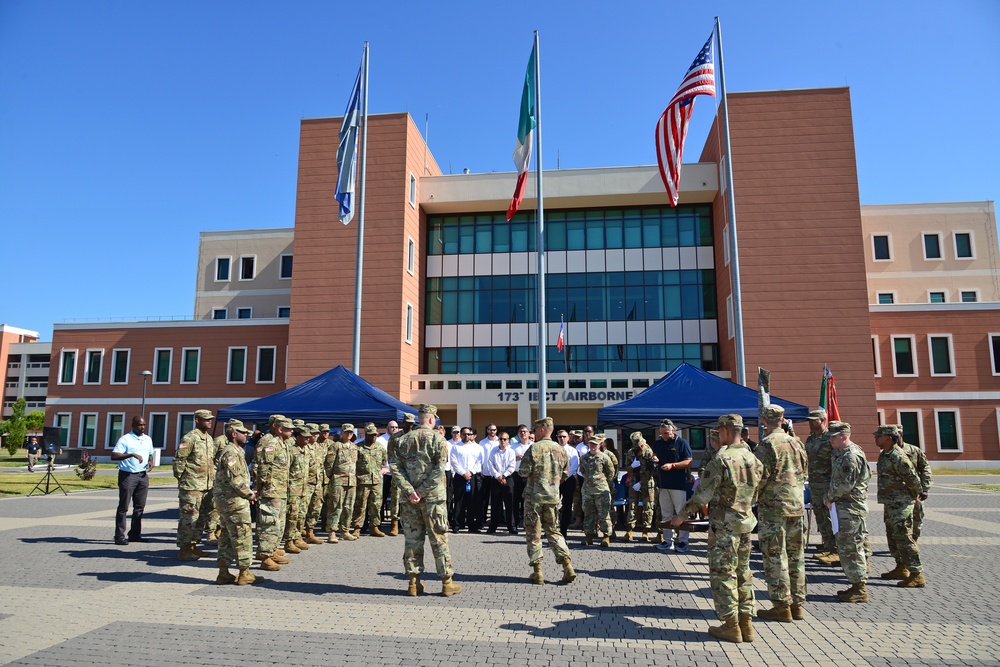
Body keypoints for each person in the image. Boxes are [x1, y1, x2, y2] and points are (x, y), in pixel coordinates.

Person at [669, 414, 762, 643]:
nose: (718, 435)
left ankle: (731, 625)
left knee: (723, 574)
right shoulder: (753, 458)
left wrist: (682, 515)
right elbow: (758, 491)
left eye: (719, 431)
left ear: (727, 431)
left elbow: (703, 495)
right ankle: (746, 624)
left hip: (724, 526)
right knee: (743, 572)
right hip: (745, 523)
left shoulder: (722, 458)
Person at [390, 404, 461, 597]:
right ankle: (447, 583)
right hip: (433, 499)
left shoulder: (403, 440)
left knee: (412, 540)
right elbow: (439, 470)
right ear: (431, 420)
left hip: (410, 499)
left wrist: (410, 490)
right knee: (438, 539)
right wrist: (421, 491)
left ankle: (414, 583)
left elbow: (394, 467)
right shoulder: (439, 439)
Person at [754, 405, 809, 622]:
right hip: (796, 505)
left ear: (764, 420)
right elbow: (805, 471)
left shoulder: (767, 445)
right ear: (783, 419)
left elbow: (760, 476)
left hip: (773, 508)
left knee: (776, 556)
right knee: (796, 556)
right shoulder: (797, 443)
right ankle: (797, 604)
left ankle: (780, 605)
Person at [518, 417, 575, 585]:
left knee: (534, 534)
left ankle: (538, 572)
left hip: (534, 498)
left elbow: (523, 472)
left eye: (535, 429)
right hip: (552, 498)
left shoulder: (533, 448)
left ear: (542, 430)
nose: (533, 432)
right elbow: (565, 474)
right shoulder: (561, 450)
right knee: (554, 532)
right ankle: (568, 566)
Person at [824, 421, 871, 603]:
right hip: (845, 507)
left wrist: (829, 496)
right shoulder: (844, 453)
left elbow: (845, 484)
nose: (831, 440)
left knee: (852, 548)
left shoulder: (850, 456)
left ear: (844, 436)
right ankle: (855, 585)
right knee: (847, 546)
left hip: (849, 507)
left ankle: (860, 588)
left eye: (834, 437)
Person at [874, 425, 926, 587]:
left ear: (888, 438)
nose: (875, 438)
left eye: (879, 436)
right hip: (890, 502)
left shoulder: (898, 456)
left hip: (901, 503)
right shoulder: (885, 454)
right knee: (893, 536)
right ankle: (901, 566)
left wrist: (915, 495)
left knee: (904, 537)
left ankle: (917, 573)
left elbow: (912, 478)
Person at [212, 421, 261, 585]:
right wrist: (250, 495)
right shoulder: (231, 453)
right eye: (242, 432)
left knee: (226, 536)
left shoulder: (236, 451)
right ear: (233, 434)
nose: (246, 435)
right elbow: (236, 480)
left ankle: (223, 572)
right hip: (234, 502)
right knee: (243, 536)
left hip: (230, 502)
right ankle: (244, 572)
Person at [173, 409, 217, 561]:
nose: (209, 422)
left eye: (210, 419)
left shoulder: (209, 439)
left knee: (200, 518)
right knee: (188, 518)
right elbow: (179, 461)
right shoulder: (189, 438)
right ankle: (184, 549)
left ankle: (193, 546)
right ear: (197, 420)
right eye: (206, 419)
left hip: (206, 485)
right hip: (192, 486)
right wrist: (183, 480)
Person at [253, 415, 293, 570]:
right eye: (288, 429)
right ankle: (265, 556)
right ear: (280, 429)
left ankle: (272, 550)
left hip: (280, 490)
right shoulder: (272, 444)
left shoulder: (283, 444)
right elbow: (263, 468)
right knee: (269, 524)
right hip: (271, 491)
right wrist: (260, 486)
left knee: (278, 524)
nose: (291, 432)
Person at [110, 416, 154, 545]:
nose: (143, 427)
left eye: (144, 425)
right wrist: (131, 454)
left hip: (142, 476)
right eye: (140, 425)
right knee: (123, 507)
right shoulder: (125, 439)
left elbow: (150, 453)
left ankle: (135, 534)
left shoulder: (147, 439)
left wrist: (150, 461)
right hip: (128, 475)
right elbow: (114, 455)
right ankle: (119, 536)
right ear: (133, 425)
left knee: (139, 507)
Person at [653, 418, 693, 552]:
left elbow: (688, 461)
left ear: (673, 431)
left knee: (681, 513)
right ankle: (667, 541)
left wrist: (673, 465)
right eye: (662, 433)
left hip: (678, 484)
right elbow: (655, 454)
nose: (664, 436)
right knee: (666, 514)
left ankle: (683, 541)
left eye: (666, 433)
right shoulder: (658, 442)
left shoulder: (682, 443)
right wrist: (655, 458)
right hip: (663, 484)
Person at [804, 409, 837, 563]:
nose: (810, 423)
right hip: (815, 485)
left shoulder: (831, 439)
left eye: (813, 420)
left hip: (828, 485)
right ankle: (828, 546)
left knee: (831, 518)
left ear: (823, 420)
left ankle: (836, 549)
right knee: (821, 518)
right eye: (809, 420)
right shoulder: (810, 440)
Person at [323, 424, 359, 543]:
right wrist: (330, 478)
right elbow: (329, 465)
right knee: (335, 506)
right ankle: (332, 532)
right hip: (338, 481)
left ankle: (345, 531)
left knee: (349, 507)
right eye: (346, 432)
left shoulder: (354, 447)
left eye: (351, 432)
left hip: (351, 481)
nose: (349, 434)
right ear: (342, 433)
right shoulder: (335, 446)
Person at [896, 424, 932, 541]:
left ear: (901, 435)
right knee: (899, 522)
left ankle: (913, 540)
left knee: (917, 520)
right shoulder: (888, 453)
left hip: (915, 493)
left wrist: (925, 488)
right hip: (897, 494)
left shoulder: (914, 451)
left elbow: (926, 469)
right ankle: (904, 545)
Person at [580, 434, 616, 547]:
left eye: (595, 444)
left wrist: (602, 480)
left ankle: (606, 537)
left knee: (604, 514)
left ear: (600, 445)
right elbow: (582, 471)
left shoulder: (605, 457)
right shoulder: (584, 458)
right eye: (591, 444)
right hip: (587, 491)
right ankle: (589, 537)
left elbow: (611, 473)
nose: (593, 446)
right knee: (588, 514)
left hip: (601, 491)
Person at [352, 424, 387, 538]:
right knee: (360, 505)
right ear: (366, 434)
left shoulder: (380, 448)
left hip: (376, 481)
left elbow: (383, 462)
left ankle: (375, 527)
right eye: (371, 435)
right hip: (363, 481)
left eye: (375, 435)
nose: (373, 437)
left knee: (376, 505)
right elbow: (354, 464)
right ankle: (357, 528)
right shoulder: (358, 448)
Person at [282, 425, 312, 553]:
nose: (307, 440)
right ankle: (289, 541)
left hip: (304, 489)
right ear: (298, 437)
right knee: (292, 516)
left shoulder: (306, 450)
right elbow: (286, 470)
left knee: (301, 515)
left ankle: (297, 537)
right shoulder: (291, 450)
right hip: (293, 489)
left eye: (308, 438)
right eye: (304, 438)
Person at [624, 431, 657, 542]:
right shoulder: (630, 452)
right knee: (632, 506)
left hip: (647, 483)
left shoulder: (648, 451)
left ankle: (645, 532)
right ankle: (629, 531)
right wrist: (632, 467)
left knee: (648, 507)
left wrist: (641, 483)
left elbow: (651, 470)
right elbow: (627, 467)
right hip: (634, 481)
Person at [385, 414, 415, 536]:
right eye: (407, 422)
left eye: (411, 423)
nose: (409, 425)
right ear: (403, 423)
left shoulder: (416, 436)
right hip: (399, 473)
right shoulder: (395, 437)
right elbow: (390, 455)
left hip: (413, 473)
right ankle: (394, 524)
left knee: (413, 498)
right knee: (396, 498)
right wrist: (395, 470)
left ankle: (411, 524)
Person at [449, 427, 483, 532]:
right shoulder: (456, 447)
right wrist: (463, 473)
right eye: (464, 434)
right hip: (460, 476)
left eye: (469, 434)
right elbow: (454, 462)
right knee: (459, 502)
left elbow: (479, 461)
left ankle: (471, 525)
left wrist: (471, 472)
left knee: (472, 501)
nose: (467, 436)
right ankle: (457, 525)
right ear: (461, 435)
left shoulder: (477, 448)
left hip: (472, 476)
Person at [486, 431, 517, 534]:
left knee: (510, 504)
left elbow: (512, 466)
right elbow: (490, 464)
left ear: (508, 441)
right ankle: (493, 526)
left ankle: (511, 526)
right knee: (495, 504)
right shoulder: (493, 451)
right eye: (501, 439)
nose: (502, 441)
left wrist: (504, 476)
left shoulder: (511, 452)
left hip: (507, 479)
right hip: (496, 479)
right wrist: (498, 476)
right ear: (498, 440)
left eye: (505, 439)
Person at [556, 430, 580, 536]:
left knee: (567, 505)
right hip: (555, 480)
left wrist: (564, 478)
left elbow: (574, 465)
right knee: (552, 505)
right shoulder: (553, 450)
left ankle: (563, 529)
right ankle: (552, 529)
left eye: (564, 436)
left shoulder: (572, 450)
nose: (562, 438)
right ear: (557, 437)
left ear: (568, 438)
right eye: (560, 436)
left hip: (568, 480)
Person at [511, 424, 531, 527]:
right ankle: (515, 522)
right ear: (518, 434)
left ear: (528, 433)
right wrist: (515, 458)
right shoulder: (513, 446)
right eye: (520, 432)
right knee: (515, 499)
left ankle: (526, 521)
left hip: (529, 476)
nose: (523, 433)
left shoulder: (533, 446)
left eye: (525, 431)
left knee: (527, 500)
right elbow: (508, 460)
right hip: (516, 475)